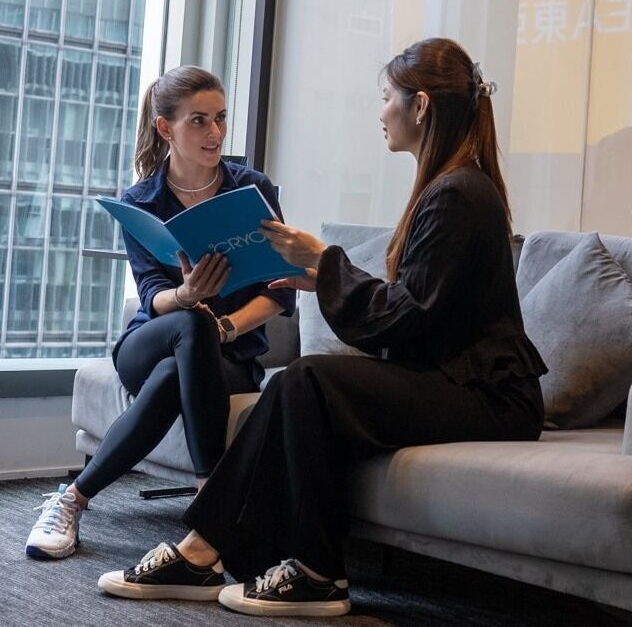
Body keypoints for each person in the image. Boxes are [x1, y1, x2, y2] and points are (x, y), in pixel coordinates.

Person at [97, 37, 549, 617]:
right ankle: (270, 562)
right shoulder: (451, 186)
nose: (380, 112)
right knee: (303, 383)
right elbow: (418, 306)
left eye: (386, 97)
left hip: (491, 396)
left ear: (420, 107)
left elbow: (406, 316)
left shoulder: (457, 193)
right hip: (460, 381)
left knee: (306, 380)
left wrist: (325, 260)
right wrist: (323, 277)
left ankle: (239, 557)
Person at [25, 66, 296, 560]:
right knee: (189, 323)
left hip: (227, 357)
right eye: (199, 121)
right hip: (148, 343)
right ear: (165, 128)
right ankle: (211, 500)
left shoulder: (253, 189)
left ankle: (73, 499)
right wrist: (187, 295)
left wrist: (226, 327)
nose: (215, 133)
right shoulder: (142, 200)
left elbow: (280, 291)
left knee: (181, 363)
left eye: (220, 118)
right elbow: (151, 292)